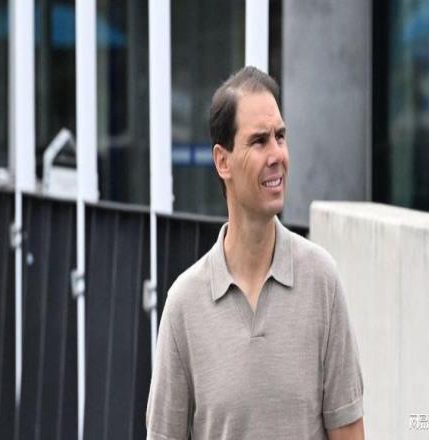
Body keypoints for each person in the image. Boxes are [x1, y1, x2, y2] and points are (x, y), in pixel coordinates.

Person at [146, 66, 364, 440]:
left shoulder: (321, 280)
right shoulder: (184, 304)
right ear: (223, 161)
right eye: (259, 141)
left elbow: (349, 432)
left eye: (280, 136)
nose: (277, 154)